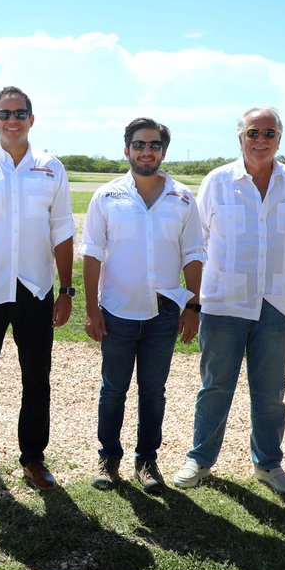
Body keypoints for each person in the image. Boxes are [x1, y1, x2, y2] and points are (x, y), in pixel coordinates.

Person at [173, 106, 285, 495]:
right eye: (253, 132)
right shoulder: (218, 181)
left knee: (271, 391)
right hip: (224, 302)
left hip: (276, 302)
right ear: (240, 138)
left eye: (269, 133)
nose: (261, 140)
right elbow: (199, 240)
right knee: (215, 386)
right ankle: (200, 459)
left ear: (279, 139)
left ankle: (268, 464)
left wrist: (269, 273)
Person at [0, 86, 75, 490]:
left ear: (31, 119)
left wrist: (66, 290)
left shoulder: (51, 168)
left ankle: (33, 458)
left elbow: (62, 230)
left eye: (20, 113)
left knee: (36, 377)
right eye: (5, 114)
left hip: (35, 289)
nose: (12, 120)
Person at [81, 118, 205, 494]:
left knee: (154, 392)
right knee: (113, 389)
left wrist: (193, 307)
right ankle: (108, 458)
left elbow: (193, 253)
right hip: (116, 310)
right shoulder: (107, 196)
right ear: (127, 150)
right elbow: (92, 253)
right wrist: (91, 309)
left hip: (163, 313)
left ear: (163, 152)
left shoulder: (182, 198)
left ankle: (147, 461)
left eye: (153, 145)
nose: (146, 151)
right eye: (139, 144)